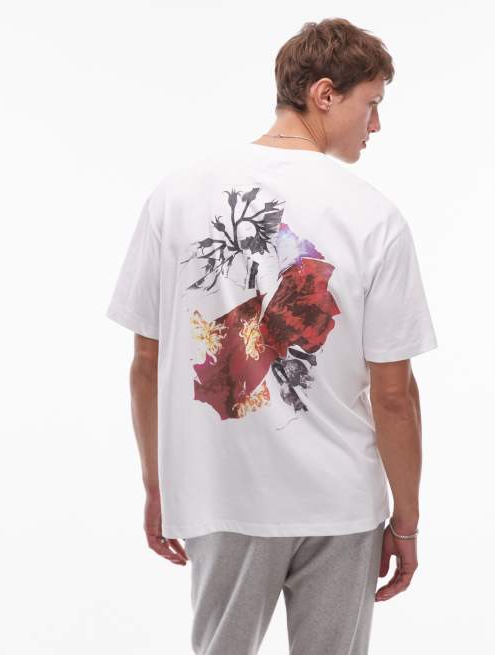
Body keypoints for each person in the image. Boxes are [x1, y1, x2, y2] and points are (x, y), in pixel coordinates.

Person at [106, 17, 438, 655]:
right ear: (324, 94)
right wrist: (407, 520)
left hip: (222, 496)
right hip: (340, 505)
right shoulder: (375, 216)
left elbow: (147, 362)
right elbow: (395, 395)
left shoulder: (177, 195)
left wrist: (159, 484)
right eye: (370, 104)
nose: (375, 125)